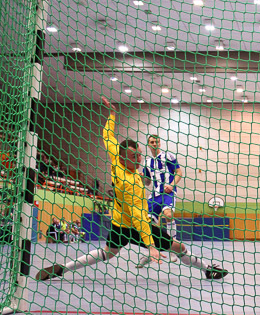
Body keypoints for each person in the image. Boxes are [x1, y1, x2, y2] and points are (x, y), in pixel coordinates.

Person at [35, 97, 228, 281]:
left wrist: (111, 114)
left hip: (119, 224)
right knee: (179, 247)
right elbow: (138, 216)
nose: (138, 159)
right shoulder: (133, 182)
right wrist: (151, 246)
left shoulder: (115, 160)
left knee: (108, 253)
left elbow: (107, 136)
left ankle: (62, 269)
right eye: (134, 157)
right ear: (123, 158)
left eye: (139, 155)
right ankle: (208, 270)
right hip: (135, 227)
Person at [135, 134, 183, 268]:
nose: (154, 144)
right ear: (148, 144)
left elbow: (179, 172)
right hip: (154, 196)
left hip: (168, 192)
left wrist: (172, 185)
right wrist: (142, 178)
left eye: (156, 142)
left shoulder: (168, 156)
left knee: (168, 214)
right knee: (147, 224)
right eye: (152, 142)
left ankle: (173, 245)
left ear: (160, 143)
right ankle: (150, 253)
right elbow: (147, 182)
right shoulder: (146, 162)